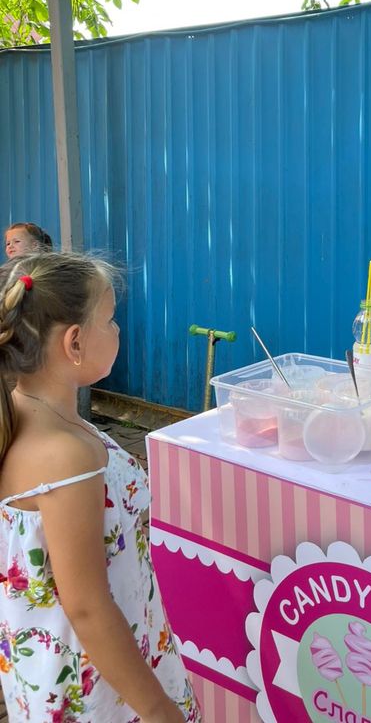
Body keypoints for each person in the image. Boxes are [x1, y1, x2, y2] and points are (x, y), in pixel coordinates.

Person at [0, 252, 201, 722]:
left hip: (63, 671)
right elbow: (88, 607)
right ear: (74, 342)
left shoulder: (30, 413)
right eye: (109, 321)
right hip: (100, 690)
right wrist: (157, 708)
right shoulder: (65, 457)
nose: (116, 332)